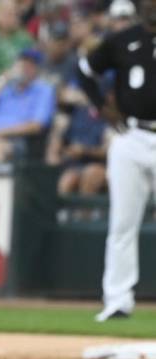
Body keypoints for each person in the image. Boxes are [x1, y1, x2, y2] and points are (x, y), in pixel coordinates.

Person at [77, 0, 156, 321]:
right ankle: (117, 300)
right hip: (131, 135)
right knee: (122, 223)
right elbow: (84, 70)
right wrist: (101, 106)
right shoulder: (123, 38)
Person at [0, 49, 55, 163]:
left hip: (17, 140)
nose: (24, 68)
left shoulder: (43, 90)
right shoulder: (4, 87)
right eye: (22, 63)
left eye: (30, 65)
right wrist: (2, 80)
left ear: (37, 69)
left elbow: (36, 126)